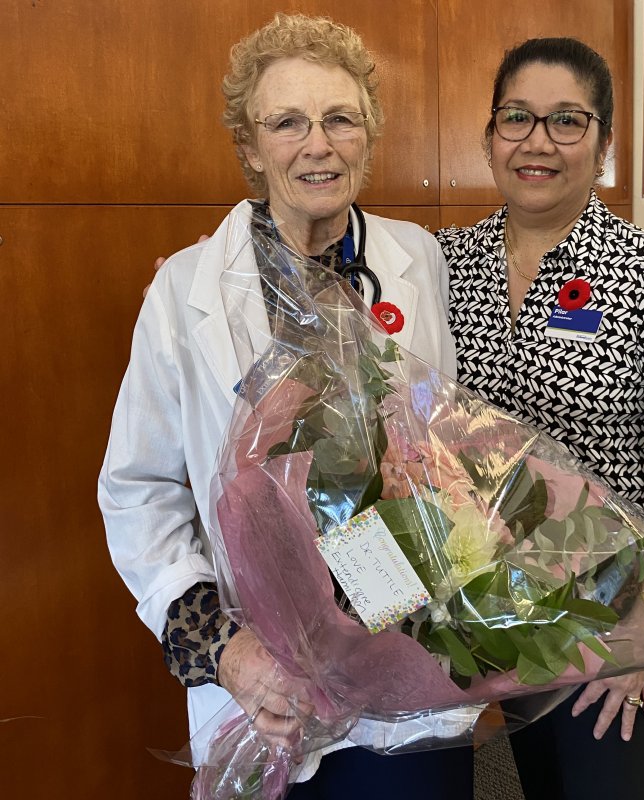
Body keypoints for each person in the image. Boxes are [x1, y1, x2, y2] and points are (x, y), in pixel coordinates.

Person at [98, 13, 473, 799]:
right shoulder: (186, 292)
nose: (318, 144)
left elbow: (446, 444)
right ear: (249, 144)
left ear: (369, 133)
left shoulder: (419, 259)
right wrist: (226, 650)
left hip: (400, 653)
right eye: (287, 122)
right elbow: (139, 491)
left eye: (341, 119)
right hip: (262, 677)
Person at [435, 37, 644, 799]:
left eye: (568, 120)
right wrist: (218, 267)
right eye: (517, 117)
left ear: (604, 143)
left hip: (607, 617)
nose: (538, 142)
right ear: (489, 135)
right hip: (477, 605)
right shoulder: (441, 262)